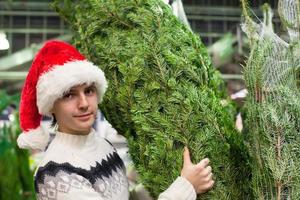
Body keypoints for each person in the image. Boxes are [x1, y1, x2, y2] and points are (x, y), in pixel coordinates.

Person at [17, 40, 214, 200]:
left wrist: (155, 182)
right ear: (51, 105)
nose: (84, 103)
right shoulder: (56, 175)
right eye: (69, 95)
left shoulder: (103, 145)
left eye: (89, 91)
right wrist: (185, 186)